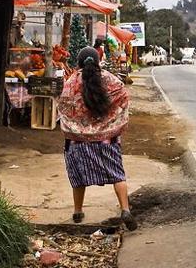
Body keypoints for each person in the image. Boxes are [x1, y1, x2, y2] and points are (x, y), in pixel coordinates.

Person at [58, 46, 137, 230]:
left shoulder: (71, 82)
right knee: (118, 175)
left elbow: (64, 107)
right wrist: (109, 124)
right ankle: (125, 209)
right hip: (107, 141)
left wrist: (80, 127)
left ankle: (77, 212)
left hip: (78, 142)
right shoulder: (110, 79)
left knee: (78, 177)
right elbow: (123, 98)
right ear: (98, 61)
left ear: (78, 63)